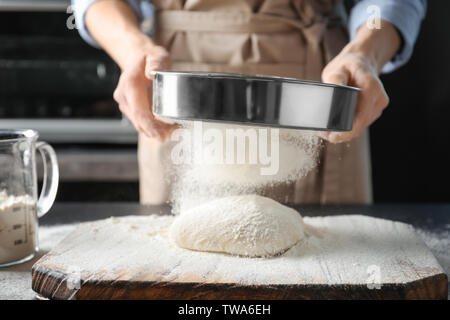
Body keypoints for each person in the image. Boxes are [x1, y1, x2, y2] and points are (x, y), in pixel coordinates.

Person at [73, 0, 426, 205]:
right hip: (177, 90)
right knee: (179, 272)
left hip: (318, 89)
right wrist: (133, 48)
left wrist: (365, 51)